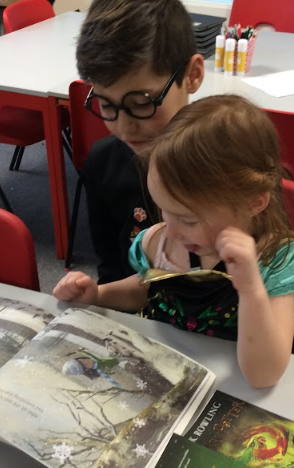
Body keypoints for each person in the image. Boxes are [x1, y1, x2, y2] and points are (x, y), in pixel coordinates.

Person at [54, 95, 294, 388]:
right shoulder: (163, 241)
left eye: (189, 220)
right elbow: (146, 289)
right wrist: (98, 294)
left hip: (241, 392)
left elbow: (263, 376)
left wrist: (250, 290)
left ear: (254, 202)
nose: (170, 229)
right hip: (171, 375)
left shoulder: (280, 263)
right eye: (162, 208)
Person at [75, 0, 204, 284]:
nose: (123, 127)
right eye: (106, 105)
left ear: (192, 76)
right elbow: (108, 264)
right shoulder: (103, 161)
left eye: (142, 102)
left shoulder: (229, 162)